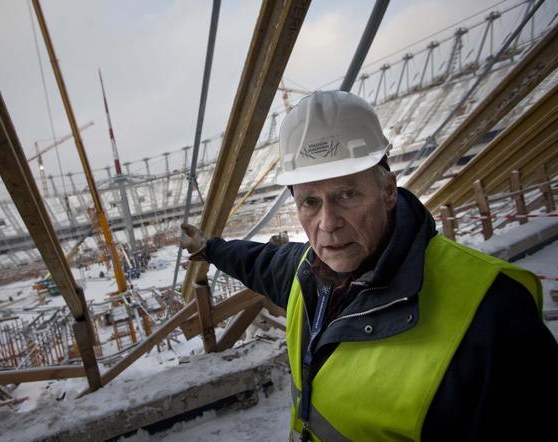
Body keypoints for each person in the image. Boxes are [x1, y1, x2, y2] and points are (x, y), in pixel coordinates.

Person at [180, 90, 558, 441]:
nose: (328, 223)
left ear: (388, 190)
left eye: (346, 194)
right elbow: (257, 261)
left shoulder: (492, 315)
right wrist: (209, 248)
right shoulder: (306, 272)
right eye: (310, 202)